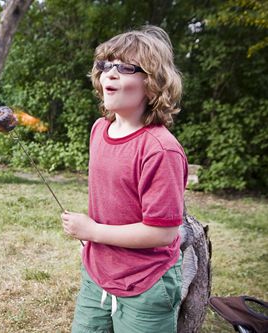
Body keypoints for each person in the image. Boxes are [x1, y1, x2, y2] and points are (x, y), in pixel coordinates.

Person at [61, 25, 188, 333]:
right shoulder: (99, 131)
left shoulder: (160, 150)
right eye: (105, 65)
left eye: (125, 67)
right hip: (97, 275)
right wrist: (92, 239)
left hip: (147, 282)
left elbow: (162, 233)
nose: (110, 73)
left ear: (152, 83)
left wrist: (94, 230)